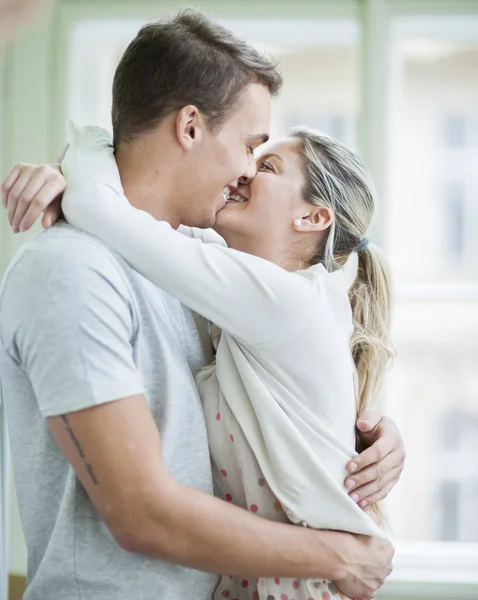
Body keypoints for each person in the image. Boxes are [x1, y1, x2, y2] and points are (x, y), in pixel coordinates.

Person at [0, 10, 402, 600]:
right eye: (250, 146)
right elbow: (140, 513)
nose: (245, 171)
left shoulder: (195, 263)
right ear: (190, 127)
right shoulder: (72, 270)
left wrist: (366, 438)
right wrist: (344, 554)